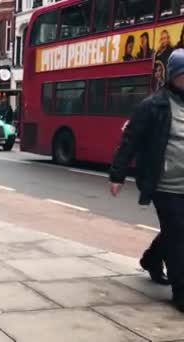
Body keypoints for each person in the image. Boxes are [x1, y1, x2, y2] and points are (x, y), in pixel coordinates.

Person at [110, 49, 184, 312]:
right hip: (164, 183)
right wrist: (117, 175)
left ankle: (152, 259)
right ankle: (180, 293)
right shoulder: (154, 105)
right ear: (173, 76)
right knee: (178, 236)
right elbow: (131, 139)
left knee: (177, 230)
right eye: (183, 74)